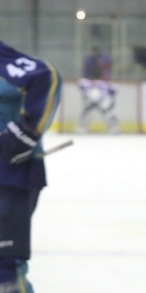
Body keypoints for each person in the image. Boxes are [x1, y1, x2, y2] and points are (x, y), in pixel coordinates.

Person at [0, 41, 63, 292]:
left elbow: (47, 76)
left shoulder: (8, 63)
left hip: (9, 176)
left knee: (5, 269)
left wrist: (24, 134)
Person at [77, 46, 118, 133]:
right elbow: (83, 88)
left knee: (108, 110)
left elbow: (113, 92)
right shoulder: (85, 83)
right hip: (91, 102)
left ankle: (113, 127)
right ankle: (82, 127)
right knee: (88, 111)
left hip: (102, 102)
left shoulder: (105, 84)